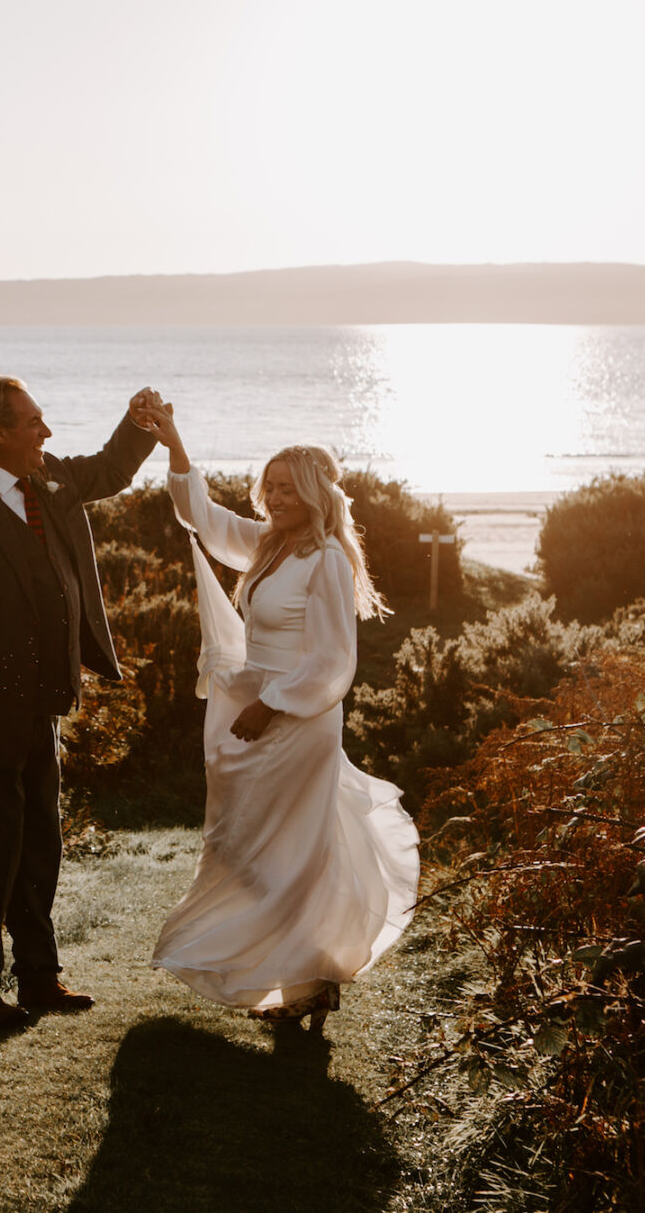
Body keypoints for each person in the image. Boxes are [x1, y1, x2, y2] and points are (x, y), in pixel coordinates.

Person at [145, 406, 418, 1033]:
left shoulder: (325, 559)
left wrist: (272, 705)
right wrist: (176, 444)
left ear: (317, 493)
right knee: (246, 845)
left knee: (291, 853)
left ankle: (302, 984)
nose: (274, 497)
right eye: (269, 486)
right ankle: (299, 974)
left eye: (287, 487)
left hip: (298, 716)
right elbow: (205, 520)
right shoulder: (269, 545)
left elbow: (331, 658)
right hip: (255, 707)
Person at [0, 375, 161, 1029]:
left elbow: (110, 468)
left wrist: (139, 423)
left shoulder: (48, 481)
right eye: (34, 422)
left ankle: (40, 977)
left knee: (40, 839)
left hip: (44, 699)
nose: (46, 433)